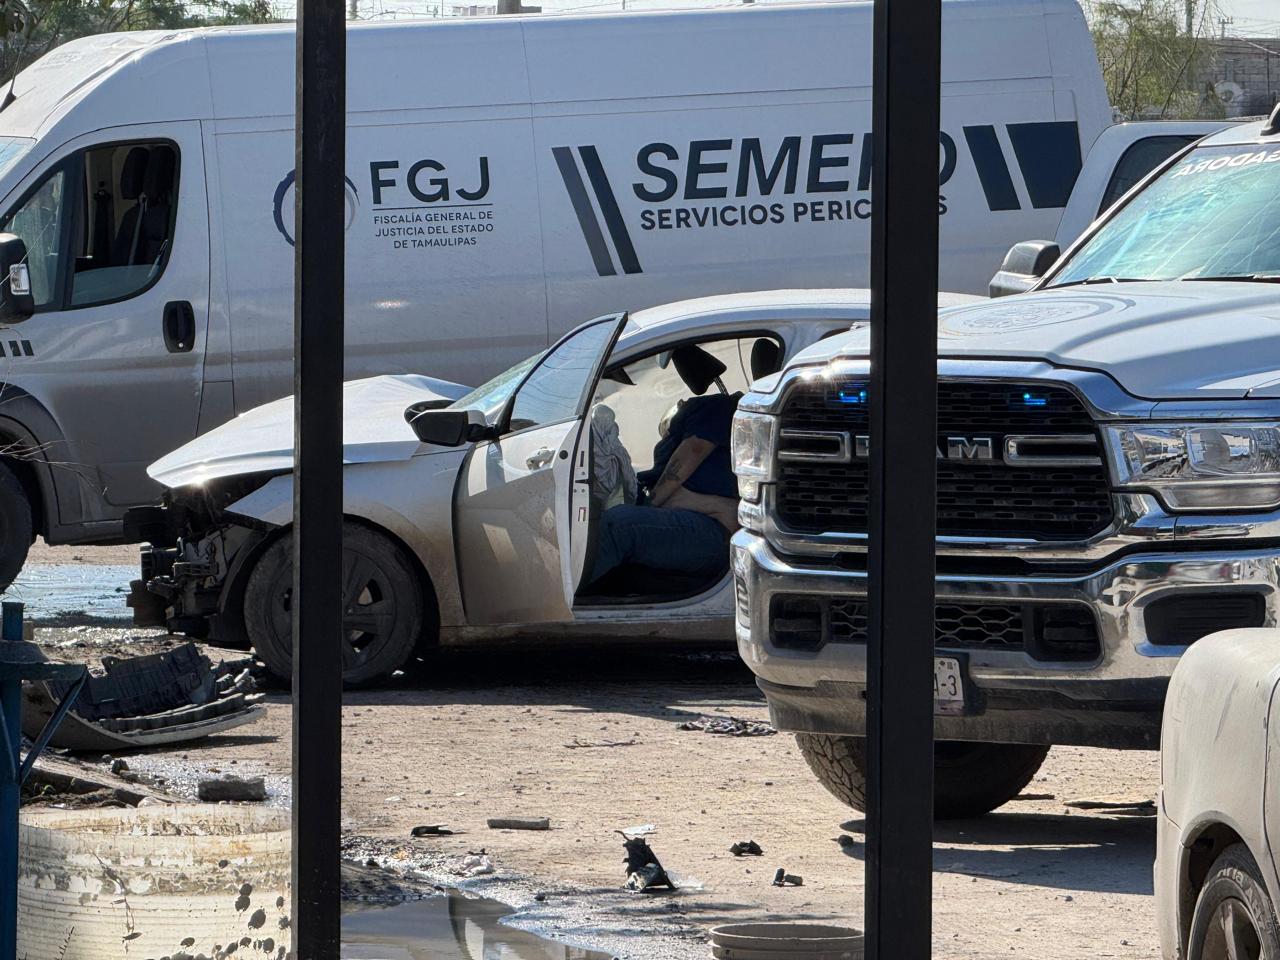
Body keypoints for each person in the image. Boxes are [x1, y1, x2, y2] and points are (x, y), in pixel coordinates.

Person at [588, 340, 781, 584]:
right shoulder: (747, 418)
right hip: (709, 522)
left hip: (711, 531)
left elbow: (692, 451)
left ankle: (565, 601)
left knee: (619, 526)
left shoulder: (719, 407)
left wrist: (650, 504)